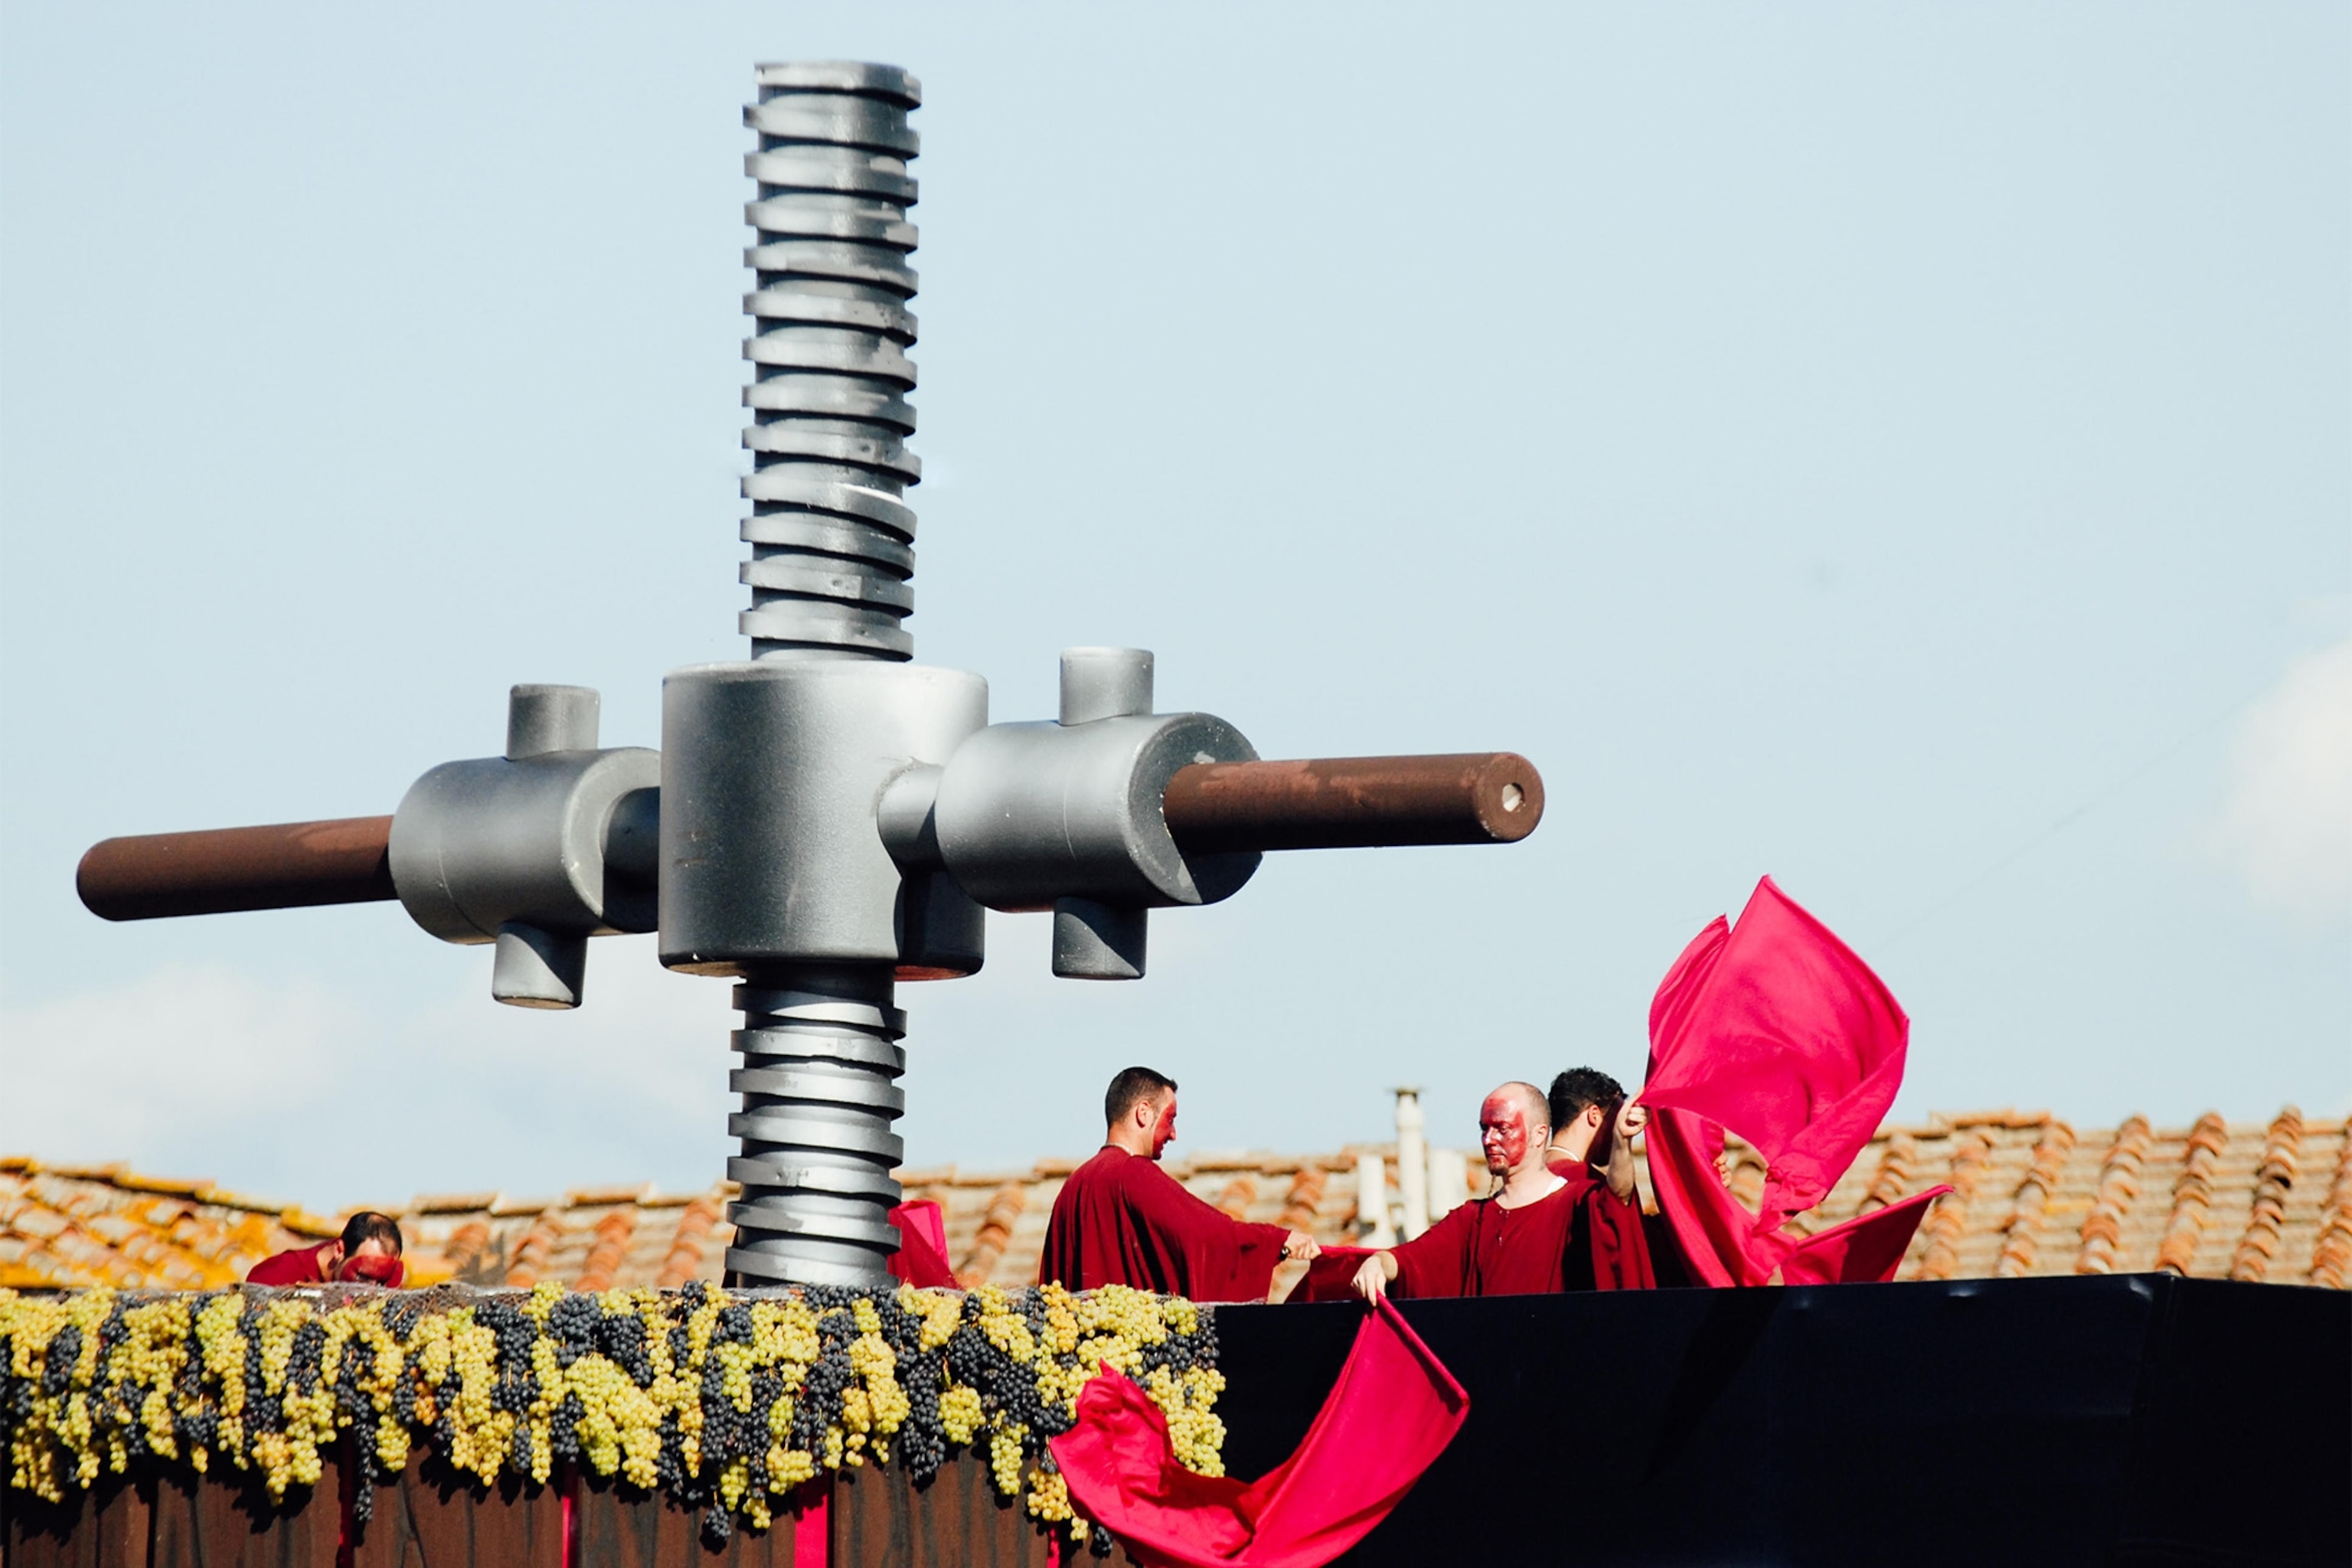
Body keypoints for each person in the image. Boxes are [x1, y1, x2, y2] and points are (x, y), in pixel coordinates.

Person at [1041, 1067, 1320, 1302]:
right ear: (1143, 1113)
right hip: (1130, 1359)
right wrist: (1277, 1241)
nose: (1174, 1134)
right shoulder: (1132, 1173)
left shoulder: (1072, 1186)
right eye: (1170, 1118)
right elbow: (1207, 1235)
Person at [1351, 1082, 1579, 1299]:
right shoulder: (1472, 1220)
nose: (1489, 1140)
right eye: (1484, 1129)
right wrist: (1378, 1263)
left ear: (1539, 1134)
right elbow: (1410, 1261)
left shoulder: (1579, 1206)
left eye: (1502, 1128)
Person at [247, 1211, 406, 1286]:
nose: (372, 1291)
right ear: (339, 1251)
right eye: (362, 1277)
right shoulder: (277, 1275)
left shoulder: (383, 1277)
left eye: (381, 1282)